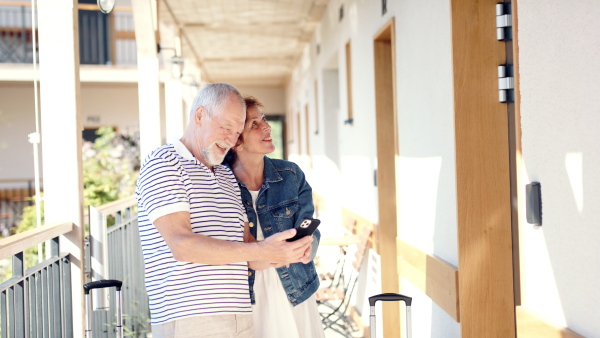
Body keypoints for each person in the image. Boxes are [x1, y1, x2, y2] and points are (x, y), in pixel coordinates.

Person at [135, 83, 313, 338]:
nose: (231, 139)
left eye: (237, 131)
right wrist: (259, 249)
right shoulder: (163, 164)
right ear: (199, 115)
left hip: (241, 316)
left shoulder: (226, 178)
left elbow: (250, 253)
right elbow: (181, 245)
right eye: (226, 127)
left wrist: (282, 252)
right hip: (190, 318)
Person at [223, 96, 326, 338]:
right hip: (248, 297)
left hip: (296, 287)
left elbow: (309, 227)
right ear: (236, 139)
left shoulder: (290, 174)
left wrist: (306, 248)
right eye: (254, 124)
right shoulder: (221, 183)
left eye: (264, 119)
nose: (267, 127)